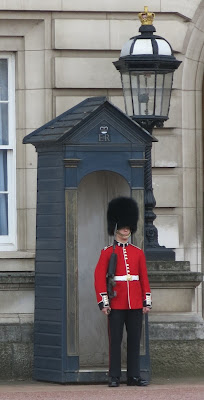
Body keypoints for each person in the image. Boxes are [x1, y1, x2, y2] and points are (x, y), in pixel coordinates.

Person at [94, 196, 152, 387]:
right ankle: (114, 376)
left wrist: (146, 301)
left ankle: (134, 376)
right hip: (116, 303)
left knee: (135, 341)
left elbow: (143, 278)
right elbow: (99, 278)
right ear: (116, 227)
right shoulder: (107, 252)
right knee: (115, 342)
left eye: (128, 226)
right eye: (123, 226)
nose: (126, 230)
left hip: (135, 302)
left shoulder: (138, 252)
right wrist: (104, 302)